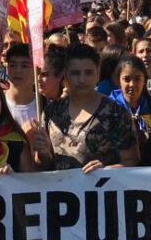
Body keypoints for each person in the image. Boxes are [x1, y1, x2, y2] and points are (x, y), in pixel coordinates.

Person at [32, 43, 139, 172]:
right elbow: (43, 165)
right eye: (75, 73)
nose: (82, 80)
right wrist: (43, 154)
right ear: (65, 75)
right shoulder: (51, 112)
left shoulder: (116, 113)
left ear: (98, 72)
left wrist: (106, 170)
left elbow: (132, 161)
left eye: (88, 73)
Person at [109, 55, 151, 146]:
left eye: (137, 79)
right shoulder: (109, 107)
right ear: (118, 81)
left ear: (144, 80)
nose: (132, 84)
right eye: (126, 79)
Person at [1, 42, 38, 128]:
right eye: (13, 65)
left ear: (35, 70)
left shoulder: (45, 106)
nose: (18, 71)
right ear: (7, 69)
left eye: (24, 66)